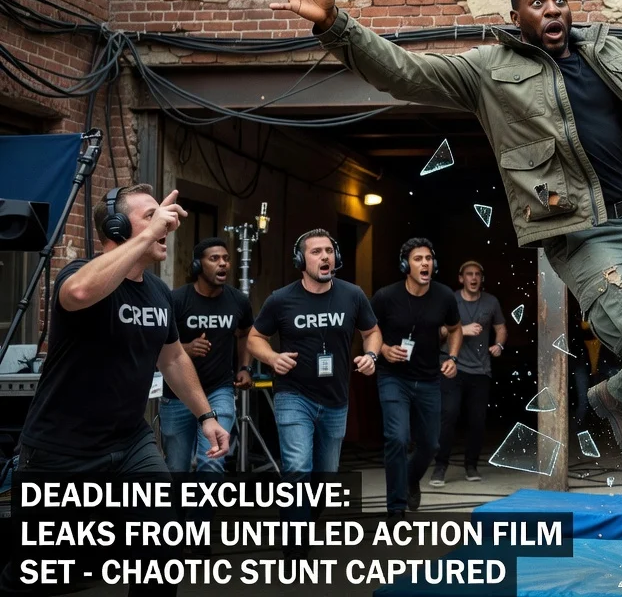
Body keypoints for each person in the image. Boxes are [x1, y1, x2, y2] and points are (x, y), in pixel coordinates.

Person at [259, 0, 622, 545]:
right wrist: (336, 23)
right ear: (516, 15)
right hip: (584, 236)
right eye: (537, 2)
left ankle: (616, 396)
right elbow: (403, 73)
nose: (552, 9)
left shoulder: (608, 52)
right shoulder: (488, 70)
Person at [2, 185, 229, 597]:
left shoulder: (159, 292)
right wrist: (146, 235)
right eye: (150, 216)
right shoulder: (78, 275)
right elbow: (80, 294)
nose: (165, 223)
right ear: (117, 226)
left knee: (162, 547)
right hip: (62, 448)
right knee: (42, 575)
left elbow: (174, 358)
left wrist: (207, 415)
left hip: (130, 442)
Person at [246, 229, 382, 476]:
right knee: (298, 468)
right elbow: (255, 338)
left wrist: (371, 355)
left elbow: (372, 332)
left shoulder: (353, 295)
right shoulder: (281, 299)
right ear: (300, 260)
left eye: (329, 251)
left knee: (326, 475)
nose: (325, 257)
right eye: (316, 251)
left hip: (335, 399)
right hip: (294, 395)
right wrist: (272, 357)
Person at [372, 238, 461, 519]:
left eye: (428, 258)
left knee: (431, 444)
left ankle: (409, 479)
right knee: (397, 438)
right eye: (417, 259)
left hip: (428, 378)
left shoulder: (445, 296)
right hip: (393, 378)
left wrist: (453, 358)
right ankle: (396, 508)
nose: (425, 263)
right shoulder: (385, 297)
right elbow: (367, 332)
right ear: (405, 265)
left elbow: (455, 329)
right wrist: (384, 349)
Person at [161, 236, 253, 474]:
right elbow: (157, 344)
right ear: (197, 266)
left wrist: (245, 368)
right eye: (214, 259)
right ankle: (177, 512)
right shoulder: (177, 300)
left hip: (218, 390)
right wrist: (186, 349)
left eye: (226, 259)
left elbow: (245, 334)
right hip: (177, 393)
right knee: (176, 468)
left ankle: (200, 513)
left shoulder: (238, 301)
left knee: (212, 463)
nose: (223, 264)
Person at [433, 260, 505, 485]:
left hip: (481, 370)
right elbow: (438, 332)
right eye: (469, 274)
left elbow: (500, 328)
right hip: (452, 367)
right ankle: (440, 467)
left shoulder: (491, 301)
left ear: (482, 279)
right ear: (461, 278)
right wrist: (461, 330)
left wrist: (499, 345)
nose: (473, 278)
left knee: (477, 421)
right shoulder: (449, 300)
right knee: (449, 416)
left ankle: (471, 466)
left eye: (477, 275)